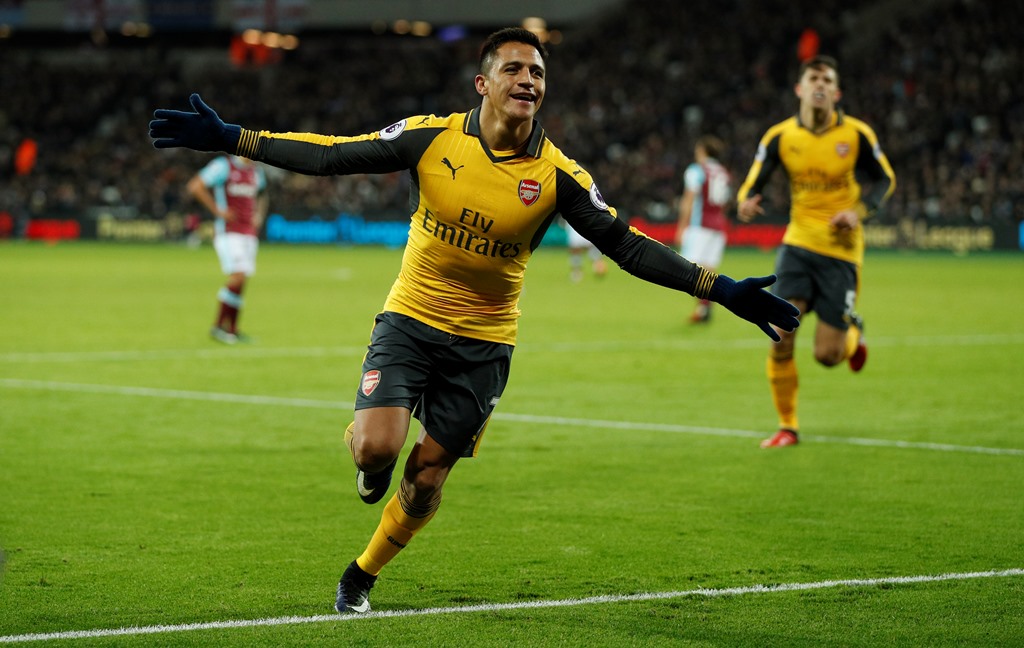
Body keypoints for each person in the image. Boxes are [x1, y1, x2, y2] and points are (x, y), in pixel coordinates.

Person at [150, 27, 800, 614]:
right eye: (515, 68)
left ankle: (360, 577)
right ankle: (370, 457)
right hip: (411, 318)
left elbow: (625, 244)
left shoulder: (558, 174)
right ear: (484, 83)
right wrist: (234, 137)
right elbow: (331, 156)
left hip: (486, 344)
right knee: (379, 449)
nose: (528, 80)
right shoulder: (432, 138)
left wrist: (723, 290)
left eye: (538, 72)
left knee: (428, 478)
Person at [735, 55, 896, 449]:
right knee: (780, 333)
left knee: (828, 355)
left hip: (841, 253)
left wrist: (857, 212)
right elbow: (752, 182)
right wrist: (744, 202)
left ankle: (853, 334)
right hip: (798, 245)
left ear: (837, 92)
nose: (819, 84)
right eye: (813, 78)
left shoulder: (857, 134)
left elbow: (884, 180)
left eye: (827, 79)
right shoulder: (780, 137)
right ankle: (787, 426)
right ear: (800, 88)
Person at [186, 155, 268, 344]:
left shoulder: (256, 172)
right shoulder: (224, 166)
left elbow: (262, 196)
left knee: (242, 280)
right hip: (229, 232)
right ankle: (217, 327)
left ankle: (232, 330)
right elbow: (195, 186)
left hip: (248, 232)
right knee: (238, 276)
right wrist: (217, 211)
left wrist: (259, 215)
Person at [677, 135, 733, 323]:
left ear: (703, 151)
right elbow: (724, 201)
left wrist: (682, 225)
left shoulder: (696, 170)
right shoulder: (723, 172)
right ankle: (704, 309)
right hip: (718, 226)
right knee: (708, 271)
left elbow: (690, 198)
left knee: (689, 272)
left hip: (700, 226)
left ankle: (703, 308)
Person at [563, 218, 608, 282]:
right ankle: (577, 272)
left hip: (582, 219)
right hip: (574, 220)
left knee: (582, 247)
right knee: (576, 249)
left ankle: (598, 264)